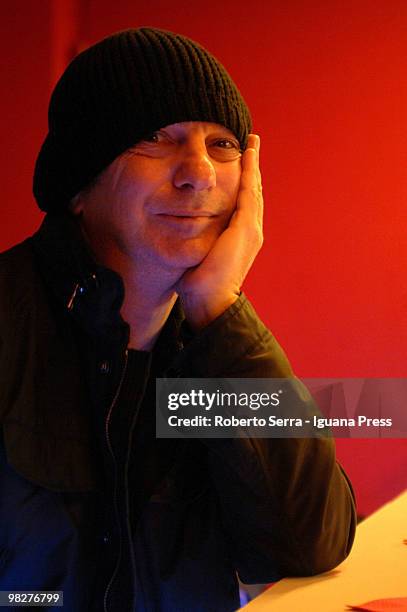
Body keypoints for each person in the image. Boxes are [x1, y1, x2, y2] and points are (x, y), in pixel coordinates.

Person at [0, 27, 356, 612]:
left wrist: (220, 309)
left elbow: (307, 547)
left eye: (223, 145)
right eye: (153, 138)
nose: (199, 173)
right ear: (78, 188)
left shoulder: (215, 343)